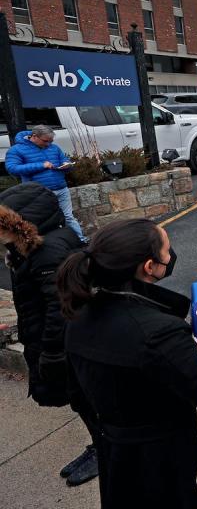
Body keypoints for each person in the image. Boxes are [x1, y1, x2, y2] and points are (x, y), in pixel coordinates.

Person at [57, 218, 197, 508]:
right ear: (149, 267)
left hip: (117, 455)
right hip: (169, 461)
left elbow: (78, 396)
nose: (171, 255)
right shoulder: (158, 332)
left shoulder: (78, 318)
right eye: (166, 251)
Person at [0, 183, 99, 486]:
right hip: (62, 344)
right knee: (81, 399)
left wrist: (53, 354)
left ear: (20, 227)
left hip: (67, 346)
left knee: (86, 398)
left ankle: (105, 450)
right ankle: (100, 445)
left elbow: (60, 309)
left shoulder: (48, 253)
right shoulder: (34, 249)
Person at [6, 125, 85, 241]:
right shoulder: (16, 149)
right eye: (45, 141)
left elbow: (63, 160)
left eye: (51, 141)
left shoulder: (54, 147)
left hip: (62, 188)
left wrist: (67, 165)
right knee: (46, 221)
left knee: (68, 217)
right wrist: (41, 165)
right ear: (34, 136)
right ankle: (51, 247)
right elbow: (12, 168)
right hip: (39, 193)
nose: (48, 144)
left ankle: (81, 240)